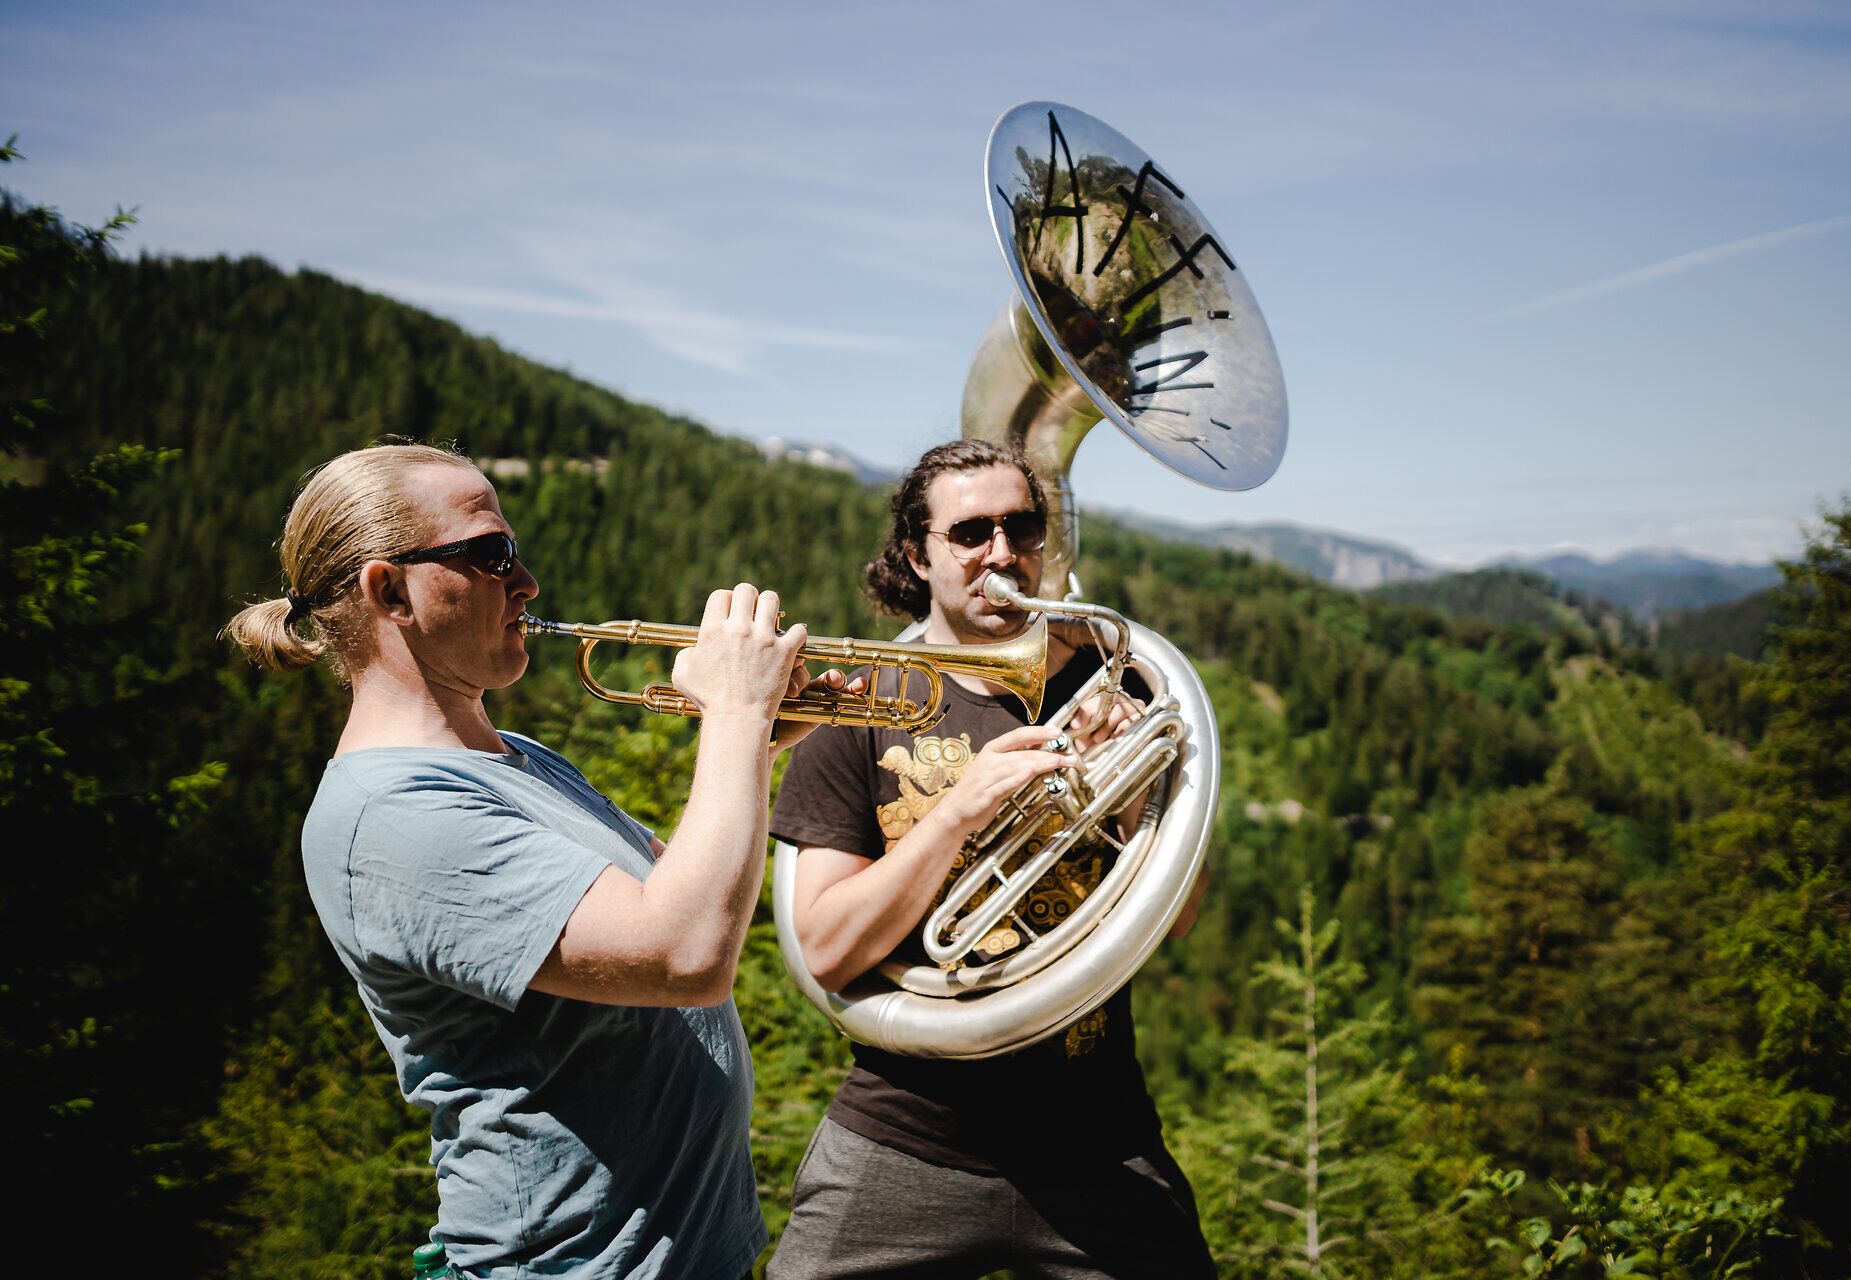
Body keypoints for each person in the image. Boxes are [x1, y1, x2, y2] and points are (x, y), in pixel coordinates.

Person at [226, 443, 840, 1279]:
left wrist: (757, 745)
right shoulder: (393, 816)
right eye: (491, 555)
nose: (527, 582)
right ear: (388, 590)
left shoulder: (511, 755)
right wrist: (731, 714)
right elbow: (686, 953)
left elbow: (670, 886)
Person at [767, 440, 1215, 1279]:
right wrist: (960, 816)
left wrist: (1118, 792)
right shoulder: (857, 708)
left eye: (1022, 527)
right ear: (917, 552)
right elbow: (826, 946)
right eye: (970, 532)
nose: (1003, 555)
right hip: (909, 1137)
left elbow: (1176, 916)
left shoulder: (1120, 687)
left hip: (1100, 1138)